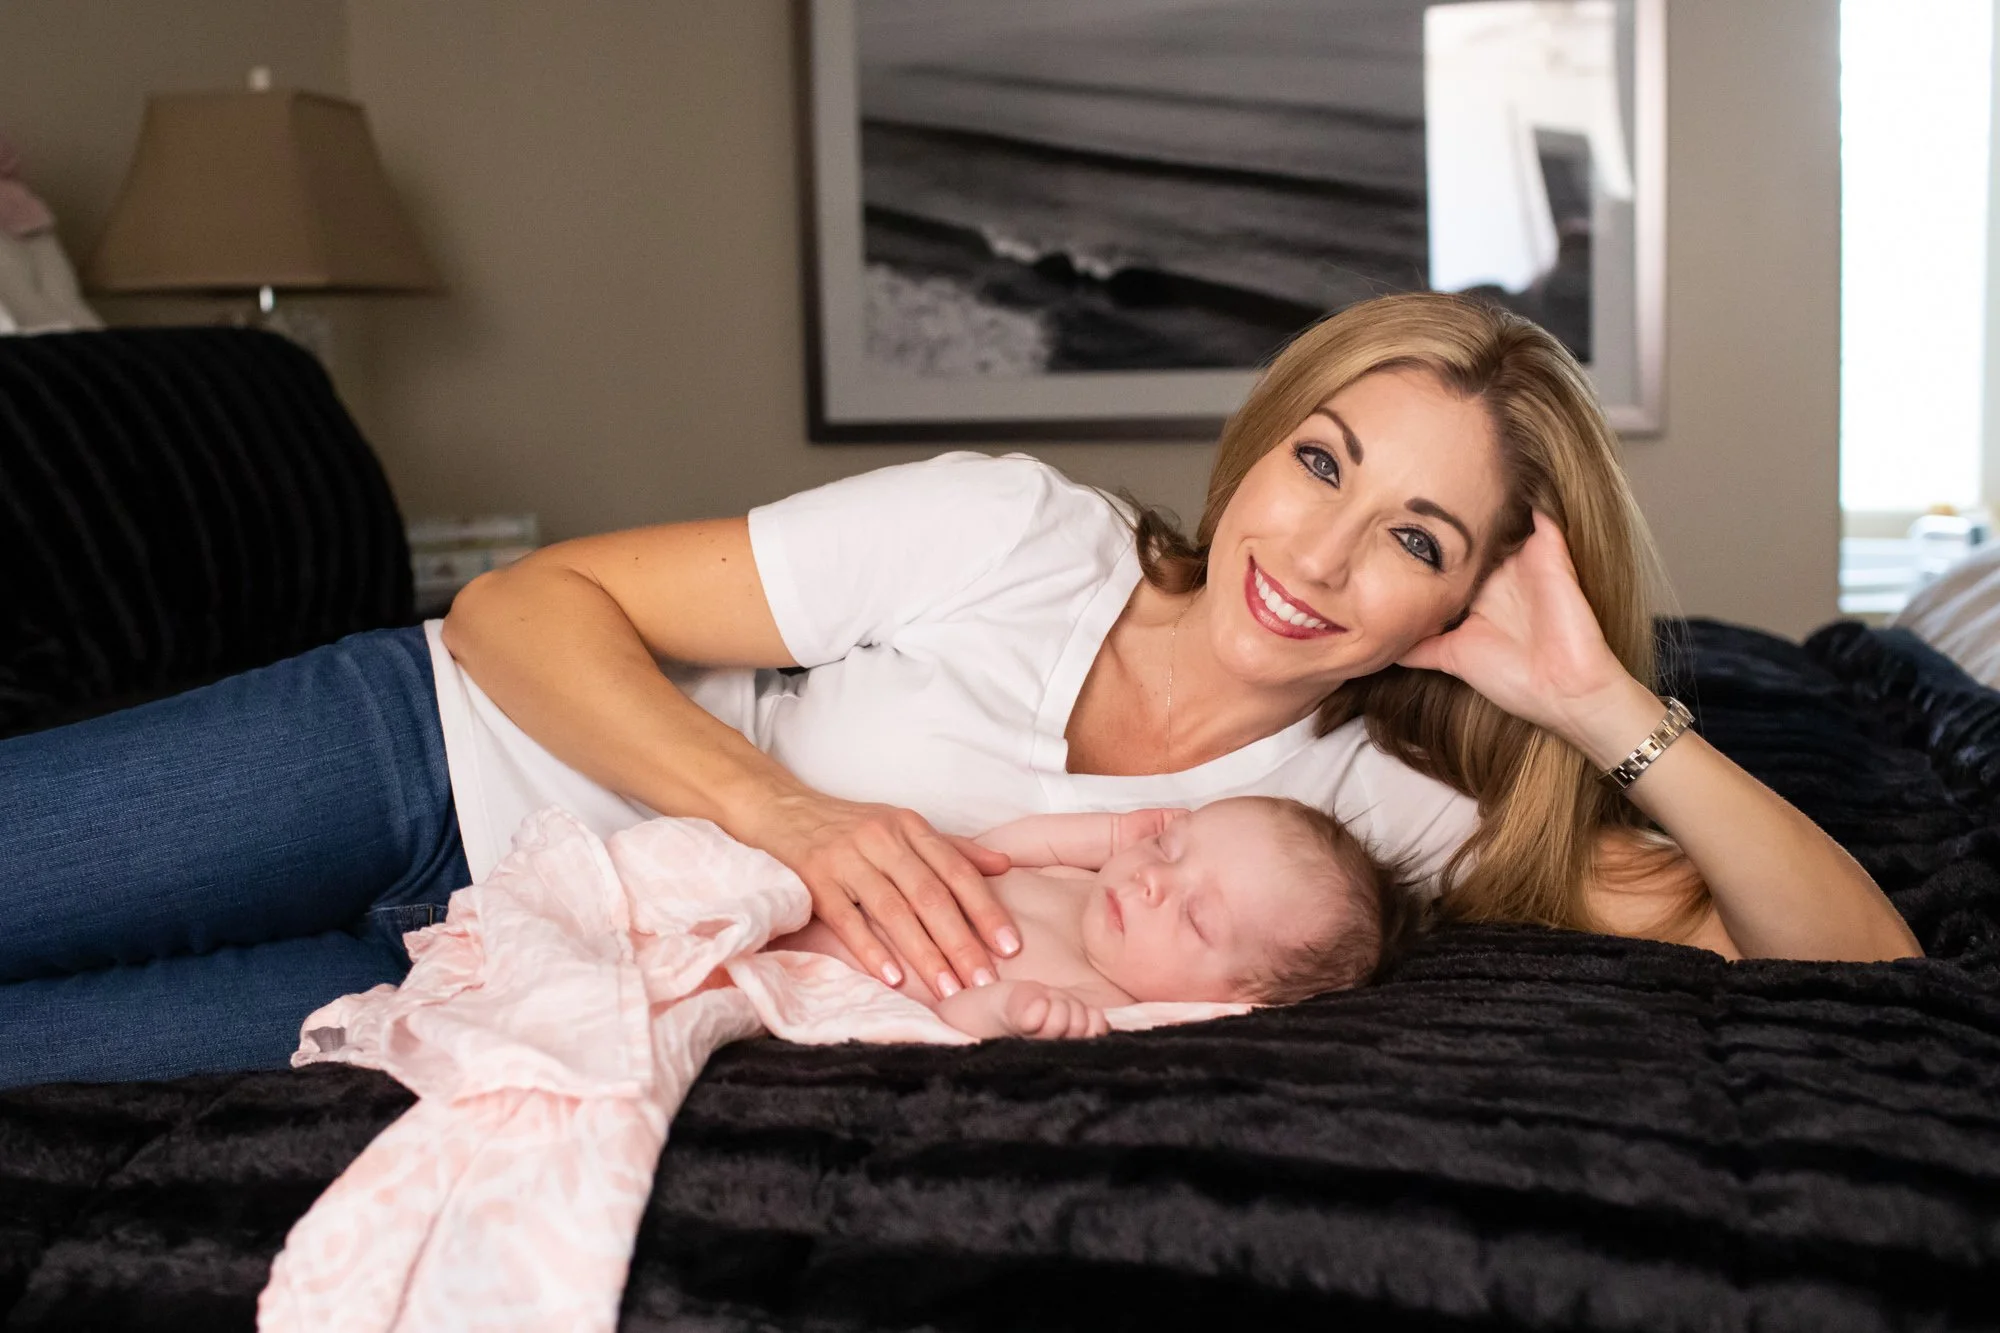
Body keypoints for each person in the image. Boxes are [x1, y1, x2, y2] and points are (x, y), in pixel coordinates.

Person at [0, 293, 1921, 1088]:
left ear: (1469, 589)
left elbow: (1860, 972)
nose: (1323, 554)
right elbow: (521, 606)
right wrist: (790, 814)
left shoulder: (1386, 815)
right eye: (1324, 462)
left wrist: (1591, 695)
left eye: (1416, 537)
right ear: (1264, 438)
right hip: (425, 751)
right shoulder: (1018, 531)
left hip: (502, 977)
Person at [771, 797, 1414, 1040]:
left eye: (1195, 918)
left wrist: (1008, 1011)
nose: (1152, 879)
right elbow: (995, 850)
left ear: (1228, 1002)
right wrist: (1111, 832)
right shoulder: (1081, 883)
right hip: (805, 890)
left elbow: (943, 1023)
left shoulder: (1100, 998)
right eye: (1169, 847)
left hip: (805, 974)